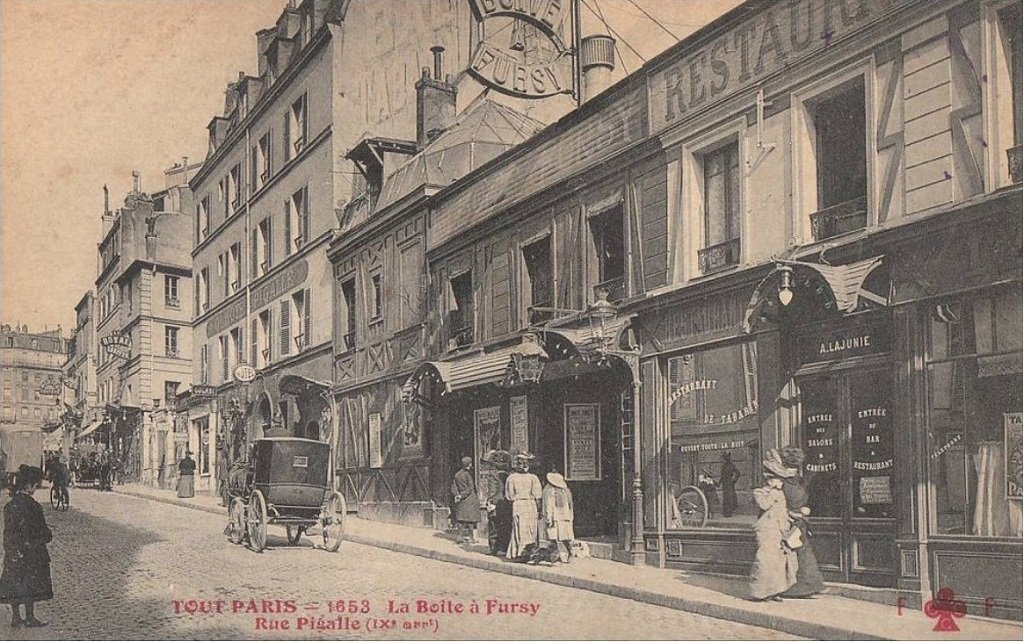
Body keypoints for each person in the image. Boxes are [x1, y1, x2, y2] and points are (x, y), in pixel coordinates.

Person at [0, 465, 53, 627]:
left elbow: (8, 532)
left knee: (15, 582)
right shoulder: (34, 507)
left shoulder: (9, 506)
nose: (35, 488)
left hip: (14, 551)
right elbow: (42, 532)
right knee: (31, 583)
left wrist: (10, 549)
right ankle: (30, 617)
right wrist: (48, 535)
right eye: (35, 485)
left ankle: (16, 617)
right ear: (29, 485)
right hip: (32, 551)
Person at [750, 449, 798, 601]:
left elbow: (782, 510)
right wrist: (772, 492)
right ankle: (760, 592)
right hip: (766, 530)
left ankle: (775, 591)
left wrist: (791, 516)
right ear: (770, 480)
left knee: (779, 562)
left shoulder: (781, 493)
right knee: (765, 561)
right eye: (777, 480)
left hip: (780, 529)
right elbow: (764, 505)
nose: (780, 482)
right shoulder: (760, 492)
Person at [779, 446, 825, 598]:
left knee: (789, 554)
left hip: (788, 523)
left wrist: (789, 513)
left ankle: (798, 587)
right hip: (801, 521)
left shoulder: (782, 483)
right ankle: (812, 584)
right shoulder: (800, 481)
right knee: (803, 552)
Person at [505, 451, 542, 561]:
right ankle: (527, 552)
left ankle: (519, 552)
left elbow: (509, 496)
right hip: (530, 504)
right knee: (530, 529)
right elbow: (538, 496)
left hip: (518, 504)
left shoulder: (511, 478)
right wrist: (539, 510)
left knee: (519, 528)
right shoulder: (533, 478)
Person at [480, 450, 512, 556]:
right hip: (506, 503)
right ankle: (504, 547)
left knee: (494, 526)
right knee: (505, 525)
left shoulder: (493, 477)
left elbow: (493, 491)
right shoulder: (509, 476)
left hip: (495, 503)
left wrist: (489, 501)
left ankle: (494, 548)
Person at [542, 471, 575, 563]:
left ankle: (555, 555)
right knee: (565, 537)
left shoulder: (550, 491)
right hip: (566, 518)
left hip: (555, 518)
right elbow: (570, 506)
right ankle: (569, 553)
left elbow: (549, 506)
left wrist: (548, 518)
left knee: (554, 537)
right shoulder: (566, 492)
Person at [450, 456, 480, 544]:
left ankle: (459, 537)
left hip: (461, 500)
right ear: (469, 464)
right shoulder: (467, 474)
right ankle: (471, 538)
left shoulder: (457, 474)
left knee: (461, 519)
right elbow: (470, 488)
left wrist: (457, 495)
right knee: (471, 519)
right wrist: (462, 495)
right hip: (469, 499)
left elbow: (453, 487)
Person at [720, 452, 741, 518]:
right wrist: (719, 483)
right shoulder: (723, 466)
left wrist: (734, 480)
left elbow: (738, 473)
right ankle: (726, 513)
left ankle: (728, 513)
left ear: (725, 459)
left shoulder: (731, 466)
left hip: (729, 485)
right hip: (725, 485)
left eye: (723, 459)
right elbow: (722, 476)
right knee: (726, 499)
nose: (722, 460)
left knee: (729, 499)